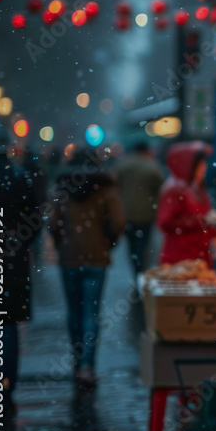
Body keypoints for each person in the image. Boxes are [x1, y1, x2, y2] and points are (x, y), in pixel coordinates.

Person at [0, 121, 44, 422]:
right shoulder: (19, 176)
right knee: (7, 324)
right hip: (9, 262)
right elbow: (35, 221)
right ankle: (5, 388)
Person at [48, 147, 125, 388]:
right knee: (91, 313)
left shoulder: (62, 188)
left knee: (74, 312)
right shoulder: (105, 188)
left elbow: (52, 222)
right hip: (96, 259)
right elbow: (119, 221)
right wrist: (107, 243)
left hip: (70, 258)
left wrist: (63, 242)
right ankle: (87, 366)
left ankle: (76, 360)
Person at [155, 141, 216, 267]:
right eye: (199, 164)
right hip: (180, 257)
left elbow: (204, 217)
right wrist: (202, 220)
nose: (204, 167)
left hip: (198, 255)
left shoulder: (197, 187)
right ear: (187, 165)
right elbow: (165, 222)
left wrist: (214, 235)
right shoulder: (174, 189)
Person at [115, 141, 164, 276]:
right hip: (146, 214)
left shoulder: (122, 165)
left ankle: (136, 270)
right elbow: (159, 189)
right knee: (143, 245)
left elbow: (116, 187)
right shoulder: (152, 166)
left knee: (132, 246)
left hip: (127, 214)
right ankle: (141, 272)